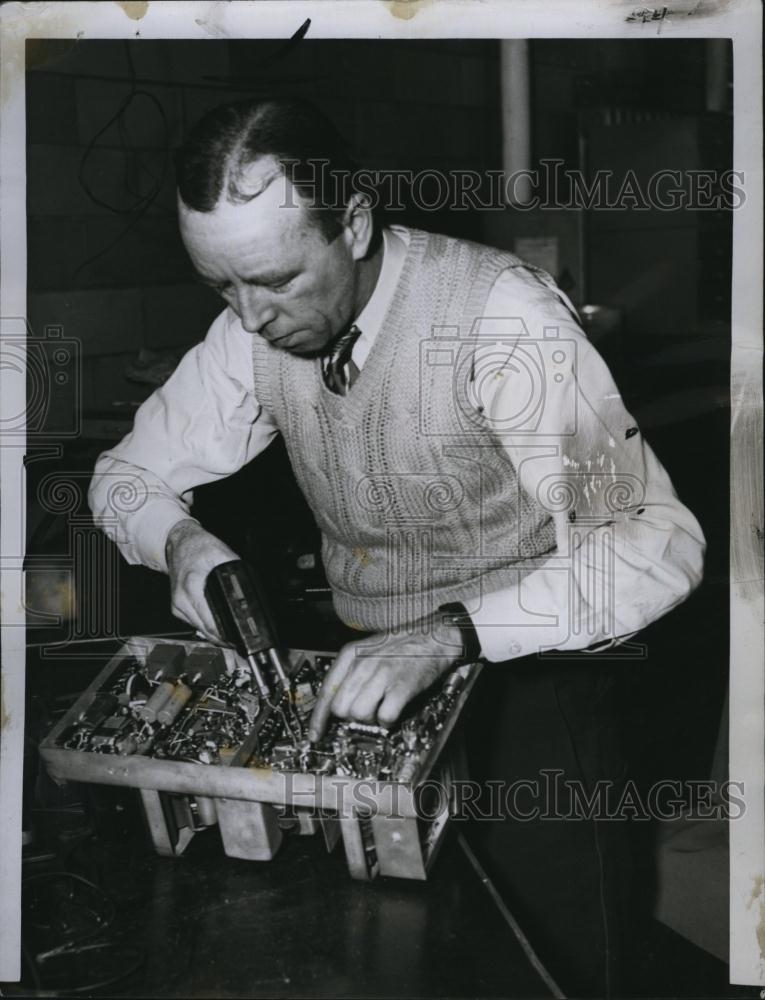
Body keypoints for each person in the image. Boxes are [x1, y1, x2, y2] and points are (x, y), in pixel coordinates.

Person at [88, 97, 705, 995]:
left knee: (548, 967)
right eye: (221, 286)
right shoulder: (249, 334)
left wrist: (450, 633)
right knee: (401, 956)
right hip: (369, 687)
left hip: (528, 690)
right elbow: (122, 478)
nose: (251, 317)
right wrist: (180, 542)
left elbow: (656, 540)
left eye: (275, 281)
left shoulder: (501, 318)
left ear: (356, 221)